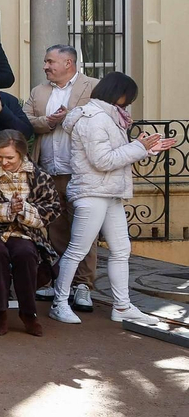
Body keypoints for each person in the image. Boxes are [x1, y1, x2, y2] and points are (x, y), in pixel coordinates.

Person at [49, 72, 176, 326]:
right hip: (93, 192)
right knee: (78, 250)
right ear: (119, 93)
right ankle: (59, 303)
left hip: (107, 192)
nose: (129, 103)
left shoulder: (107, 116)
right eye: (129, 97)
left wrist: (145, 149)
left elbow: (115, 155)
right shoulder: (95, 118)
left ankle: (122, 306)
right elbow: (103, 160)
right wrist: (140, 148)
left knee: (120, 250)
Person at [0, 130, 61, 337]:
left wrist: (24, 210)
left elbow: (51, 210)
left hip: (24, 231)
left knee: (25, 253)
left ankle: (28, 312)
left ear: (21, 154)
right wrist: (7, 210)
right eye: (0, 157)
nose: (4, 162)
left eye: (9, 158)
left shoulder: (39, 176)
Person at [26, 44, 98, 309]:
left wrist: (70, 118)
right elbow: (26, 120)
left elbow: (105, 120)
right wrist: (49, 121)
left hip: (81, 172)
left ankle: (83, 285)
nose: (45, 66)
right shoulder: (39, 91)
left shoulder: (93, 87)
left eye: (50, 62)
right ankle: (59, 281)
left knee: (85, 230)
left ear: (68, 63)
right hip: (48, 172)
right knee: (54, 229)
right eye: (46, 62)